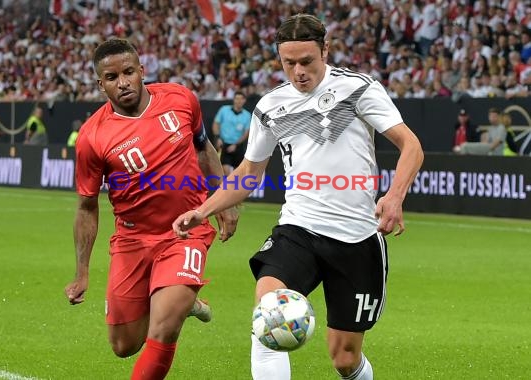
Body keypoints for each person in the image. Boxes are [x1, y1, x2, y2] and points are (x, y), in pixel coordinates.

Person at [173, 14, 424, 380]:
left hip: (357, 239)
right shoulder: (271, 106)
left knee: (345, 359)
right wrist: (203, 210)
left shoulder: (358, 89)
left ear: (326, 50)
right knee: (268, 315)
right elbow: (247, 174)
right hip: (298, 229)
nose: (298, 71)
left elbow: (411, 146)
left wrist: (395, 196)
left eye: (306, 61)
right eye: (288, 62)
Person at [64, 38, 238, 380]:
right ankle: (186, 303)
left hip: (186, 231)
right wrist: (82, 270)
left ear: (142, 70)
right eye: (112, 77)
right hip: (132, 240)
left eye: (129, 72)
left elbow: (204, 150)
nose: (123, 82)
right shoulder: (92, 137)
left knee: (162, 329)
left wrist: (224, 201)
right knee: (124, 345)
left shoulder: (180, 99)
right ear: (101, 84)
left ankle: (177, 301)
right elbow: (86, 207)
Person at [211, 91, 252, 175]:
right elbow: (216, 124)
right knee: (226, 171)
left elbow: (246, 133)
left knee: (239, 173)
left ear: (244, 101)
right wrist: (218, 137)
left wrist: (236, 145)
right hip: (224, 144)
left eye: (241, 99)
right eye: (237, 99)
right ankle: (225, 187)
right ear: (233, 100)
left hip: (238, 146)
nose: (239, 101)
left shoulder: (247, 115)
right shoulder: (224, 110)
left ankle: (235, 187)